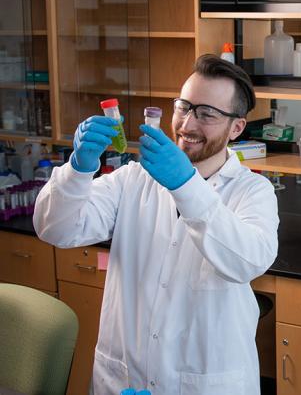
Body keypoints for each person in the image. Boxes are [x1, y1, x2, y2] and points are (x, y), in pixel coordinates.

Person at [33, 55, 279, 394]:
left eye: (206, 114)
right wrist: (79, 168)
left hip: (205, 383)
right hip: (124, 378)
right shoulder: (134, 179)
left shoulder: (253, 191)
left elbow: (247, 260)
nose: (188, 124)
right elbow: (55, 228)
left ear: (236, 127)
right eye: (184, 107)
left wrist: (184, 185)